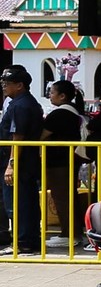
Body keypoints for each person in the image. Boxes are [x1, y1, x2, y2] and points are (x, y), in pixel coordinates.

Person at [0, 68, 44, 255]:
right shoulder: (25, 102)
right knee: (27, 200)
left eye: (7, 83)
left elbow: (17, 136)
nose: (4, 86)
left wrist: (11, 164)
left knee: (18, 202)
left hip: (20, 162)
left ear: (19, 85)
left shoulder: (20, 105)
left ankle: (23, 242)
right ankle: (29, 240)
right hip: (27, 161)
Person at [41, 80, 86, 248]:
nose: (50, 95)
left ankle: (69, 234)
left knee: (62, 197)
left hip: (59, 162)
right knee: (67, 196)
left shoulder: (60, 114)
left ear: (62, 96)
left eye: (52, 92)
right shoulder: (73, 112)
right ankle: (72, 233)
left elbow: (42, 135)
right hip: (67, 160)